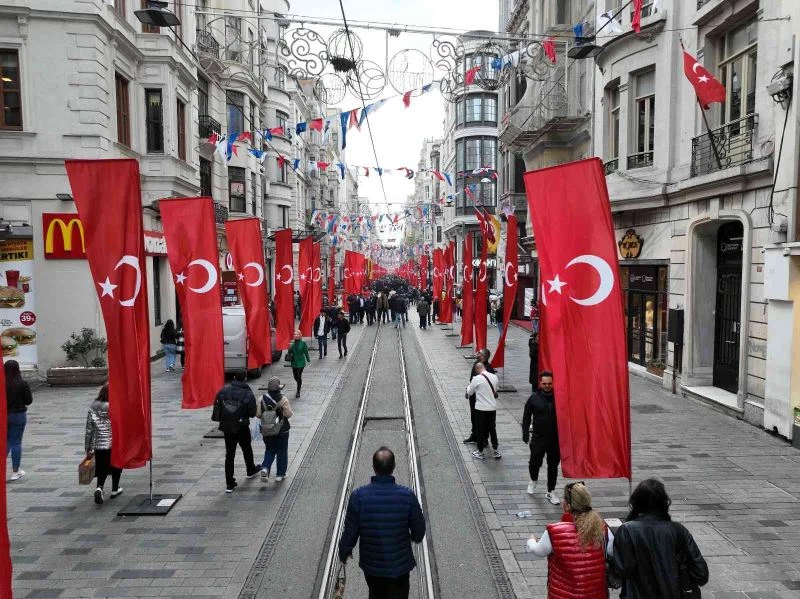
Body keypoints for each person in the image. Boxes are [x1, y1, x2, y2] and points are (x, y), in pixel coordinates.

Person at [338, 447, 426, 598]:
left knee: (376, 594)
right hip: (400, 566)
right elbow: (419, 530)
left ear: (374, 468)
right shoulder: (407, 496)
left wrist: (344, 551)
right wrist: (413, 537)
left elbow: (350, 531)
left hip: (372, 567)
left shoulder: (359, 496)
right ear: (394, 467)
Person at [612, 479, 709, 598]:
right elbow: (701, 574)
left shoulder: (627, 531)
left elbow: (620, 571)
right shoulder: (678, 530)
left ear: (636, 503)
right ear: (664, 503)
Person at [526, 481, 613, 598]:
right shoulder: (602, 529)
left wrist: (531, 540)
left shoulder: (554, 531)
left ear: (567, 506)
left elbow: (538, 550)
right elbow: (611, 552)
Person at [212, 372, 260, 493]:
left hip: (227, 426)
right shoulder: (248, 394)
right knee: (247, 448)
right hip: (241, 426)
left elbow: (217, 406)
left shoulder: (223, 390)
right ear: (245, 379)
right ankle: (250, 470)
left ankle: (230, 483)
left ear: (234, 378)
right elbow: (252, 413)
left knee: (229, 454)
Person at [522, 370, 561, 505]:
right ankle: (533, 479)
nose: (547, 386)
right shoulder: (534, 398)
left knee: (553, 466)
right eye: (545, 383)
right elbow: (526, 416)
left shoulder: (559, 397)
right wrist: (525, 433)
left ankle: (551, 491)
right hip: (538, 438)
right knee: (534, 463)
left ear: (553, 383)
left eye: (549, 383)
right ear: (540, 383)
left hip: (555, 439)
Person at [84, 383, 123, 504]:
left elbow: (89, 430)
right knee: (116, 465)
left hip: (98, 445)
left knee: (101, 468)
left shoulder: (93, 408)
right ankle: (115, 489)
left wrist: (88, 448)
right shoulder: (115, 407)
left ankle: (99, 488)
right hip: (113, 443)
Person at [257, 376, 293, 483]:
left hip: (267, 429)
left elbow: (258, 414)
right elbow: (289, 414)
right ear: (278, 388)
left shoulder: (261, 399)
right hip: (282, 429)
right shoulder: (283, 399)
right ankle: (280, 474)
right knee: (282, 451)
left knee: (270, 449)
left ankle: (265, 468)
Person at [466, 362, 501, 459]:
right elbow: (495, 390)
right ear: (484, 368)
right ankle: (496, 450)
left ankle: (480, 451)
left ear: (477, 369)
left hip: (480, 408)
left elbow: (470, 392)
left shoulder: (476, 378)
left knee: (480, 429)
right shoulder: (494, 377)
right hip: (492, 407)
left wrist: (468, 387)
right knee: (492, 429)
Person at [5, 360, 32, 482]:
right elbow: (28, 401)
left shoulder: (2, 383)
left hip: (4, 415)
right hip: (18, 415)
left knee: (5, 442)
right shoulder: (22, 383)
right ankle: (15, 472)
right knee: (16, 443)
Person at [463, 349, 496, 445]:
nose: (477, 353)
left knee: (483, 420)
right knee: (474, 417)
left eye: (479, 353)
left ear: (483, 356)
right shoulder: (476, 363)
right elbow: (472, 380)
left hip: (482, 399)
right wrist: (469, 390)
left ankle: (484, 439)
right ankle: (474, 435)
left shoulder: (488, 369)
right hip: (474, 397)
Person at [288, 330, 311, 398]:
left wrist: (308, 361)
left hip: (301, 362)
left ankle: (298, 390)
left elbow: (306, 353)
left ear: (300, 335)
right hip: (294, 362)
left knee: (298, 376)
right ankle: (299, 383)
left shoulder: (303, 343)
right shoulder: (292, 344)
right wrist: (289, 347)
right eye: (295, 334)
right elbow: (289, 352)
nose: (296, 335)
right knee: (295, 376)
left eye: (297, 334)